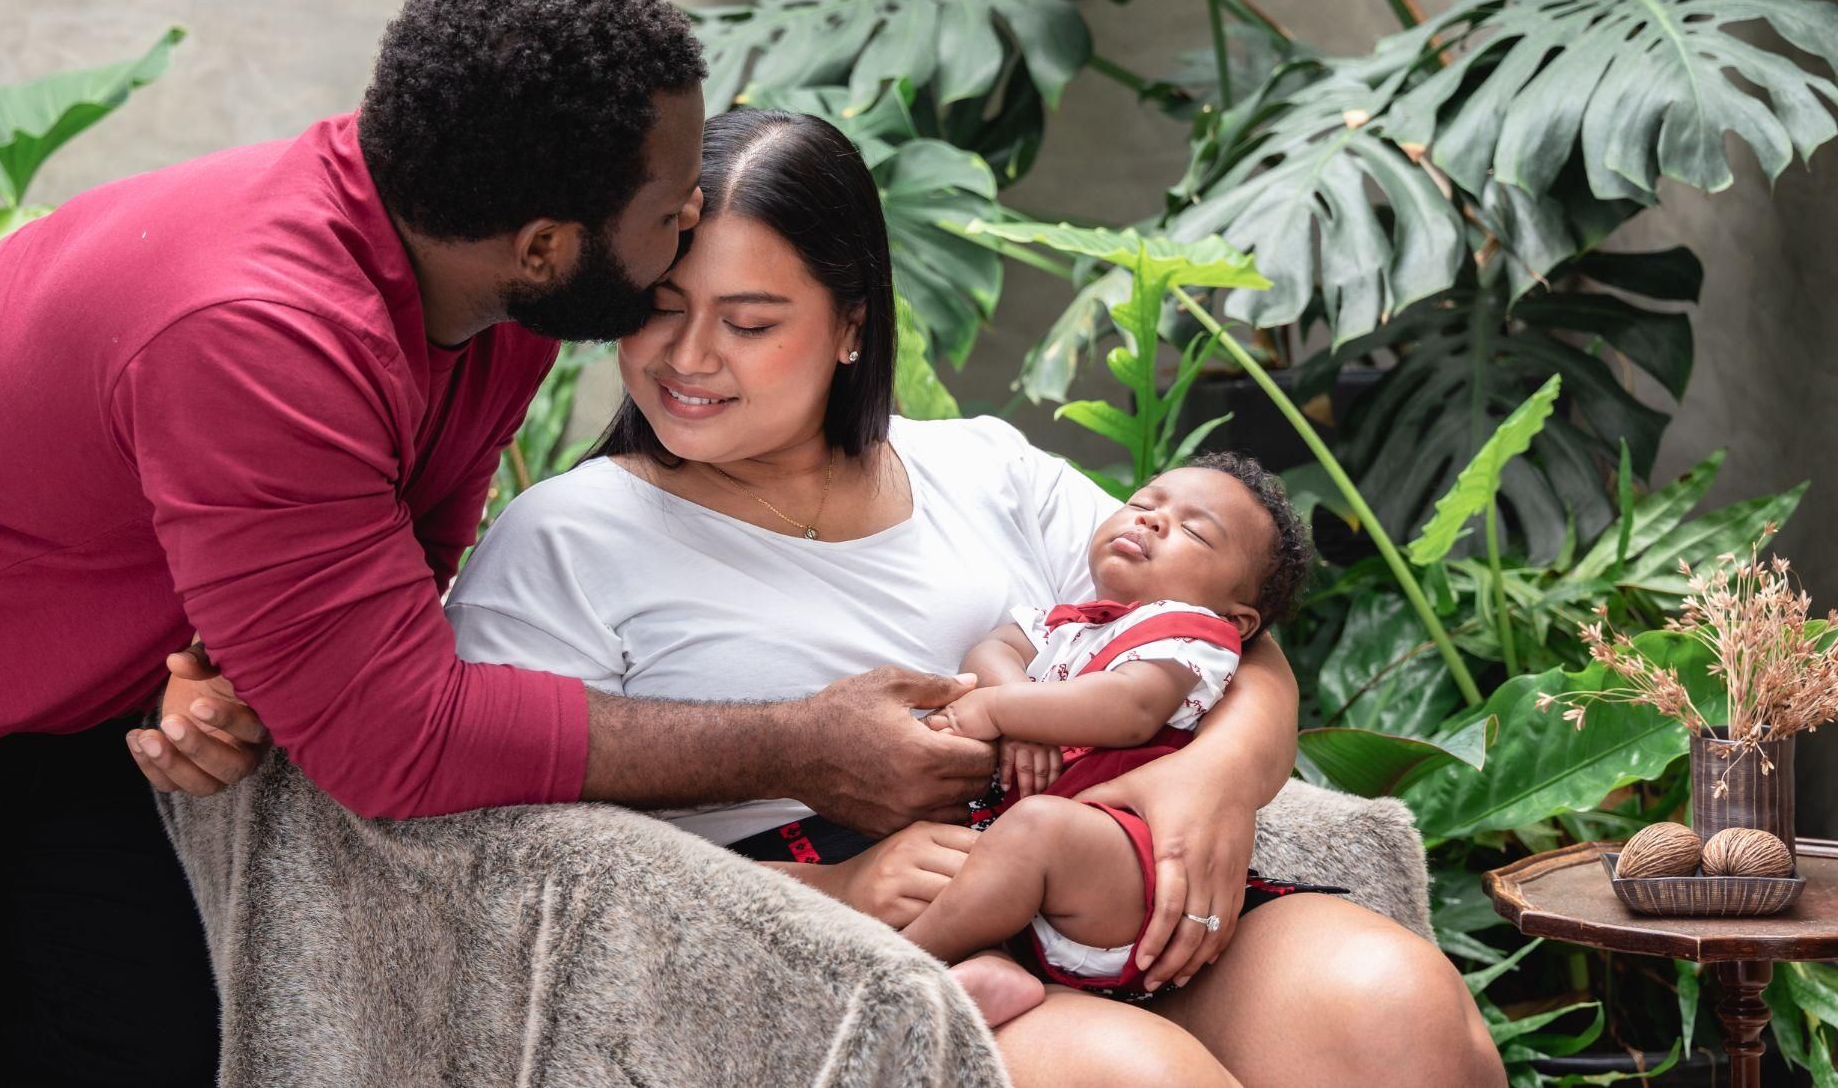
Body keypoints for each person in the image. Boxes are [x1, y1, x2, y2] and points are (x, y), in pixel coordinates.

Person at [0, 0, 994, 1086]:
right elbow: (396, 739)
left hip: (57, 712)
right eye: (672, 206)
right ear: (543, 245)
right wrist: (801, 743)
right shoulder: (258, 332)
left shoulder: (491, 299)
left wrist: (228, 667)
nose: (690, 219)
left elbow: (385, 580)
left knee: (146, 1046)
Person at [420, 108, 1501, 1086]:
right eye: (658, 309)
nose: (688, 358)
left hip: (1090, 892)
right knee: (1141, 1082)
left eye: (748, 323)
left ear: (851, 326)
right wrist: (830, 906)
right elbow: (506, 869)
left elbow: (1220, 624)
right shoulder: (568, 539)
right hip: (814, 946)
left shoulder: (981, 469)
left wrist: (1219, 776)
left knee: (1392, 1009)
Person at [902, 455, 1340, 1025]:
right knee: (954, 856)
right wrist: (1025, 710)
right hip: (1055, 877)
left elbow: (1131, 707)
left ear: (1238, 620)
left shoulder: (1191, 632)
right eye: (1142, 504)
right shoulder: (1068, 623)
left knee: (1036, 830)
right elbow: (991, 651)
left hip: (1133, 865)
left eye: (1194, 530)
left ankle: (903, 966)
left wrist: (1001, 708)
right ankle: (992, 966)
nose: (1152, 520)